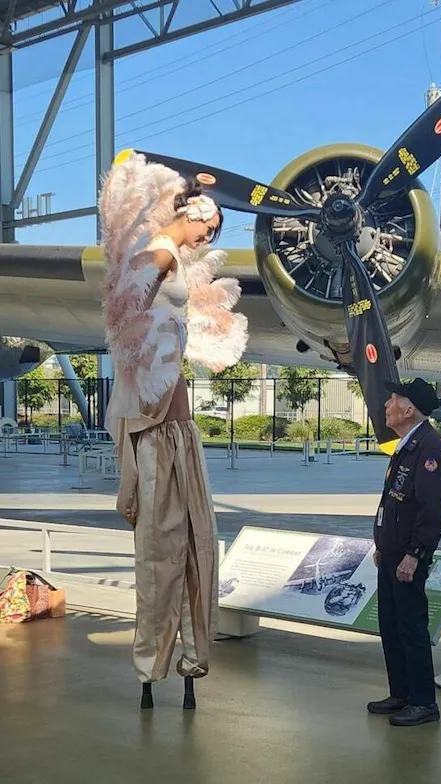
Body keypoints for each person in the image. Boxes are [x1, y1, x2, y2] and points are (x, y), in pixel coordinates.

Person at [98, 150, 248, 710]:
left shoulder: (168, 256)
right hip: (160, 423)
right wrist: (149, 374)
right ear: (196, 215)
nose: (208, 238)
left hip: (174, 425)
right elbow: (125, 316)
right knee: (164, 550)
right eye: (210, 227)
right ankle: (157, 661)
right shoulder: (158, 254)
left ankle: (182, 657)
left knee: (189, 544)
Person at [367, 378, 441, 727]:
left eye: (393, 400)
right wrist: (384, 545)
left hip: (408, 557)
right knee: (391, 626)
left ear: (408, 409)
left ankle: (423, 702)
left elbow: (432, 510)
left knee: (411, 627)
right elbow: (396, 502)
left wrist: (414, 553)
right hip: (392, 553)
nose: (387, 405)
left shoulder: (429, 448)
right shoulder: (407, 445)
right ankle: (401, 693)